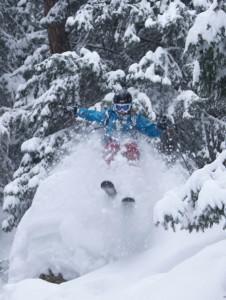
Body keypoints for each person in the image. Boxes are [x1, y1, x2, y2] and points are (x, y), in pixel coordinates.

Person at [72, 90, 168, 163]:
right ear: (114, 106)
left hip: (128, 143)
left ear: (130, 106)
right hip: (110, 142)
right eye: (119, 107)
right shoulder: (109, 115)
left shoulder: (135, 118)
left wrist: (159, 128)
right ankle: (109, 172)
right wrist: (78, 111)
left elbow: (148, 129)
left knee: (131, 147)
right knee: (112, 147)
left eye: (125, 107)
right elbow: (92, 114)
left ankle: (133, 171)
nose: (122, 111)